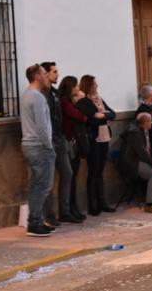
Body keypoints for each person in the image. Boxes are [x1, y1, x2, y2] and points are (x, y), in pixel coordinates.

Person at [20, 64, 56, 237]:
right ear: (36, 76)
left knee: (36, 185)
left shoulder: (26, 94)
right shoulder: (38, 97)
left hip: (29, 145)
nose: (46, 76)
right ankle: (34, 223)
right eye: (43, 73)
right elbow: (41, 126)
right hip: (39, 146)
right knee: (43, 186)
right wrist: (48, 146)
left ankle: (35, 221)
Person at [76, 75, 117, 216]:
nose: (97, 86)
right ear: (88, 86)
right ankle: (92, 205)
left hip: (104, 138)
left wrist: (102, 115)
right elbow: (92, 120)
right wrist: (102, 116)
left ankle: (102, 202)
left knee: (100, 172)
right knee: (93, 172)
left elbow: (113, 114)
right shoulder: (83, 102)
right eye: (94, 84)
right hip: (93, 140)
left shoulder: (100, 100)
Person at [40, 62, 73, 227]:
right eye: (54, 72)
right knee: (48, 179)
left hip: (60, 138)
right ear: (45, 74)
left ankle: (64, 212)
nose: (57, 74)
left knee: (67, 173)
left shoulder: (54, 93)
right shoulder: (40, 94)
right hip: (49, 140)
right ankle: (49, 214)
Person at [58, 76, 88, 222]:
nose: (78, 89)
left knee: (73, 176)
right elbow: (81, 117)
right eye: (76, 86)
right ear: (70, 87)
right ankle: (68, 209)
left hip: (73, 142)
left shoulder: (69, 102)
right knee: (70, 176)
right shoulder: (64, 102)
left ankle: (73, 207)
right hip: (67, 142)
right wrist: (81, 101)